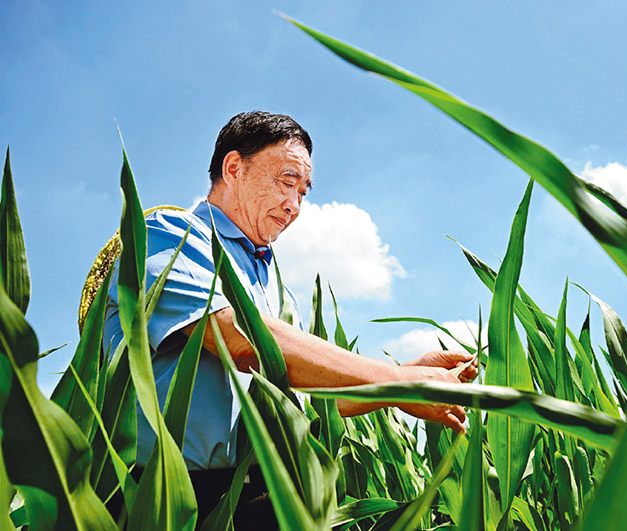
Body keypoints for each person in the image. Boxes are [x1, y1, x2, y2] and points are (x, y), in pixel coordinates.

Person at [102, 111, 477, 527]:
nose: (294, 206)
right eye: (286, 182)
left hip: (258, 494)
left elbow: (310, 397)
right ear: (234, 168)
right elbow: (241, 339)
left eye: (303, 192)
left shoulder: (279, 290)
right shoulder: (169, 235)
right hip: (164, 496)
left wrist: (403, 376)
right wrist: (399, 381)